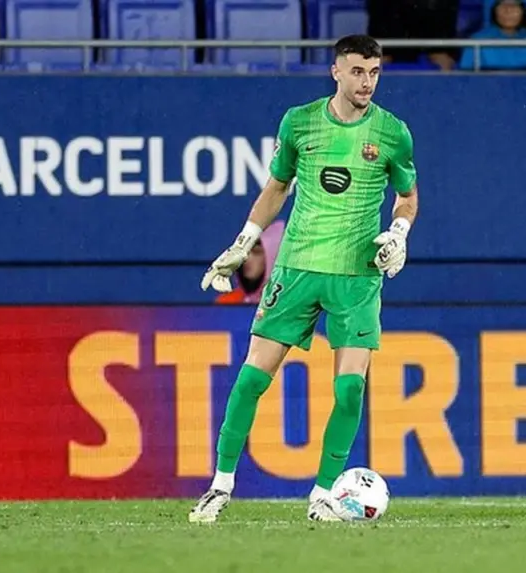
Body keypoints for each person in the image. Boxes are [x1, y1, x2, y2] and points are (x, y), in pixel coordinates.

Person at [189, 34, 419, 524]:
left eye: (374, 73)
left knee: (350, 390)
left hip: (357, 274)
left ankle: (323, 496)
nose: (367, 82)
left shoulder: (393, 132)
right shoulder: (299, 122)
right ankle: (220, 487)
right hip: (296, 268)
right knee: (252, 378)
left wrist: (399, 233)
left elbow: (407, 195)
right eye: (357, 72)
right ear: (336, 71)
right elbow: (277, 187)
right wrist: (244, 241)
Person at [459, 0, 526, 71]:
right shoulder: (477, 41)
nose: (508, 11)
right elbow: (466, 80)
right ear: (493, 10)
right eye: (502, 5)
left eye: (515, 5)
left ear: (524, 10)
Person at [214, 221, 285, 305]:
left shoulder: (288, 304)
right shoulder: (226, 303)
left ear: (273, 257)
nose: (246, 259)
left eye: (256, 252)